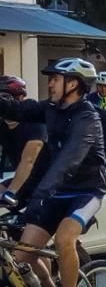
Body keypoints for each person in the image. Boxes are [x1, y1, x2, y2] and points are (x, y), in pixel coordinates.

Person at [0, 59, 106, 287]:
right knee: (21, 255)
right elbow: (16, 108)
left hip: (85, 192)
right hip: (56, 193)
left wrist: (40, 193)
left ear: (73, 84)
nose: (49, 83)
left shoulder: (88, 118)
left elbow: (68, 160)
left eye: (55, 79)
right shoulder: (50, 109)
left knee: (63, 239)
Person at [0, 76, 49, 208]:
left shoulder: (35, 122)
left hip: (45, 184)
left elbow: (28, 161)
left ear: (20, 98)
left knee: (33, 226)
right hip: (22, 181)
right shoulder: (2, 126)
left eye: (4, 97)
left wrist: (11, 192)